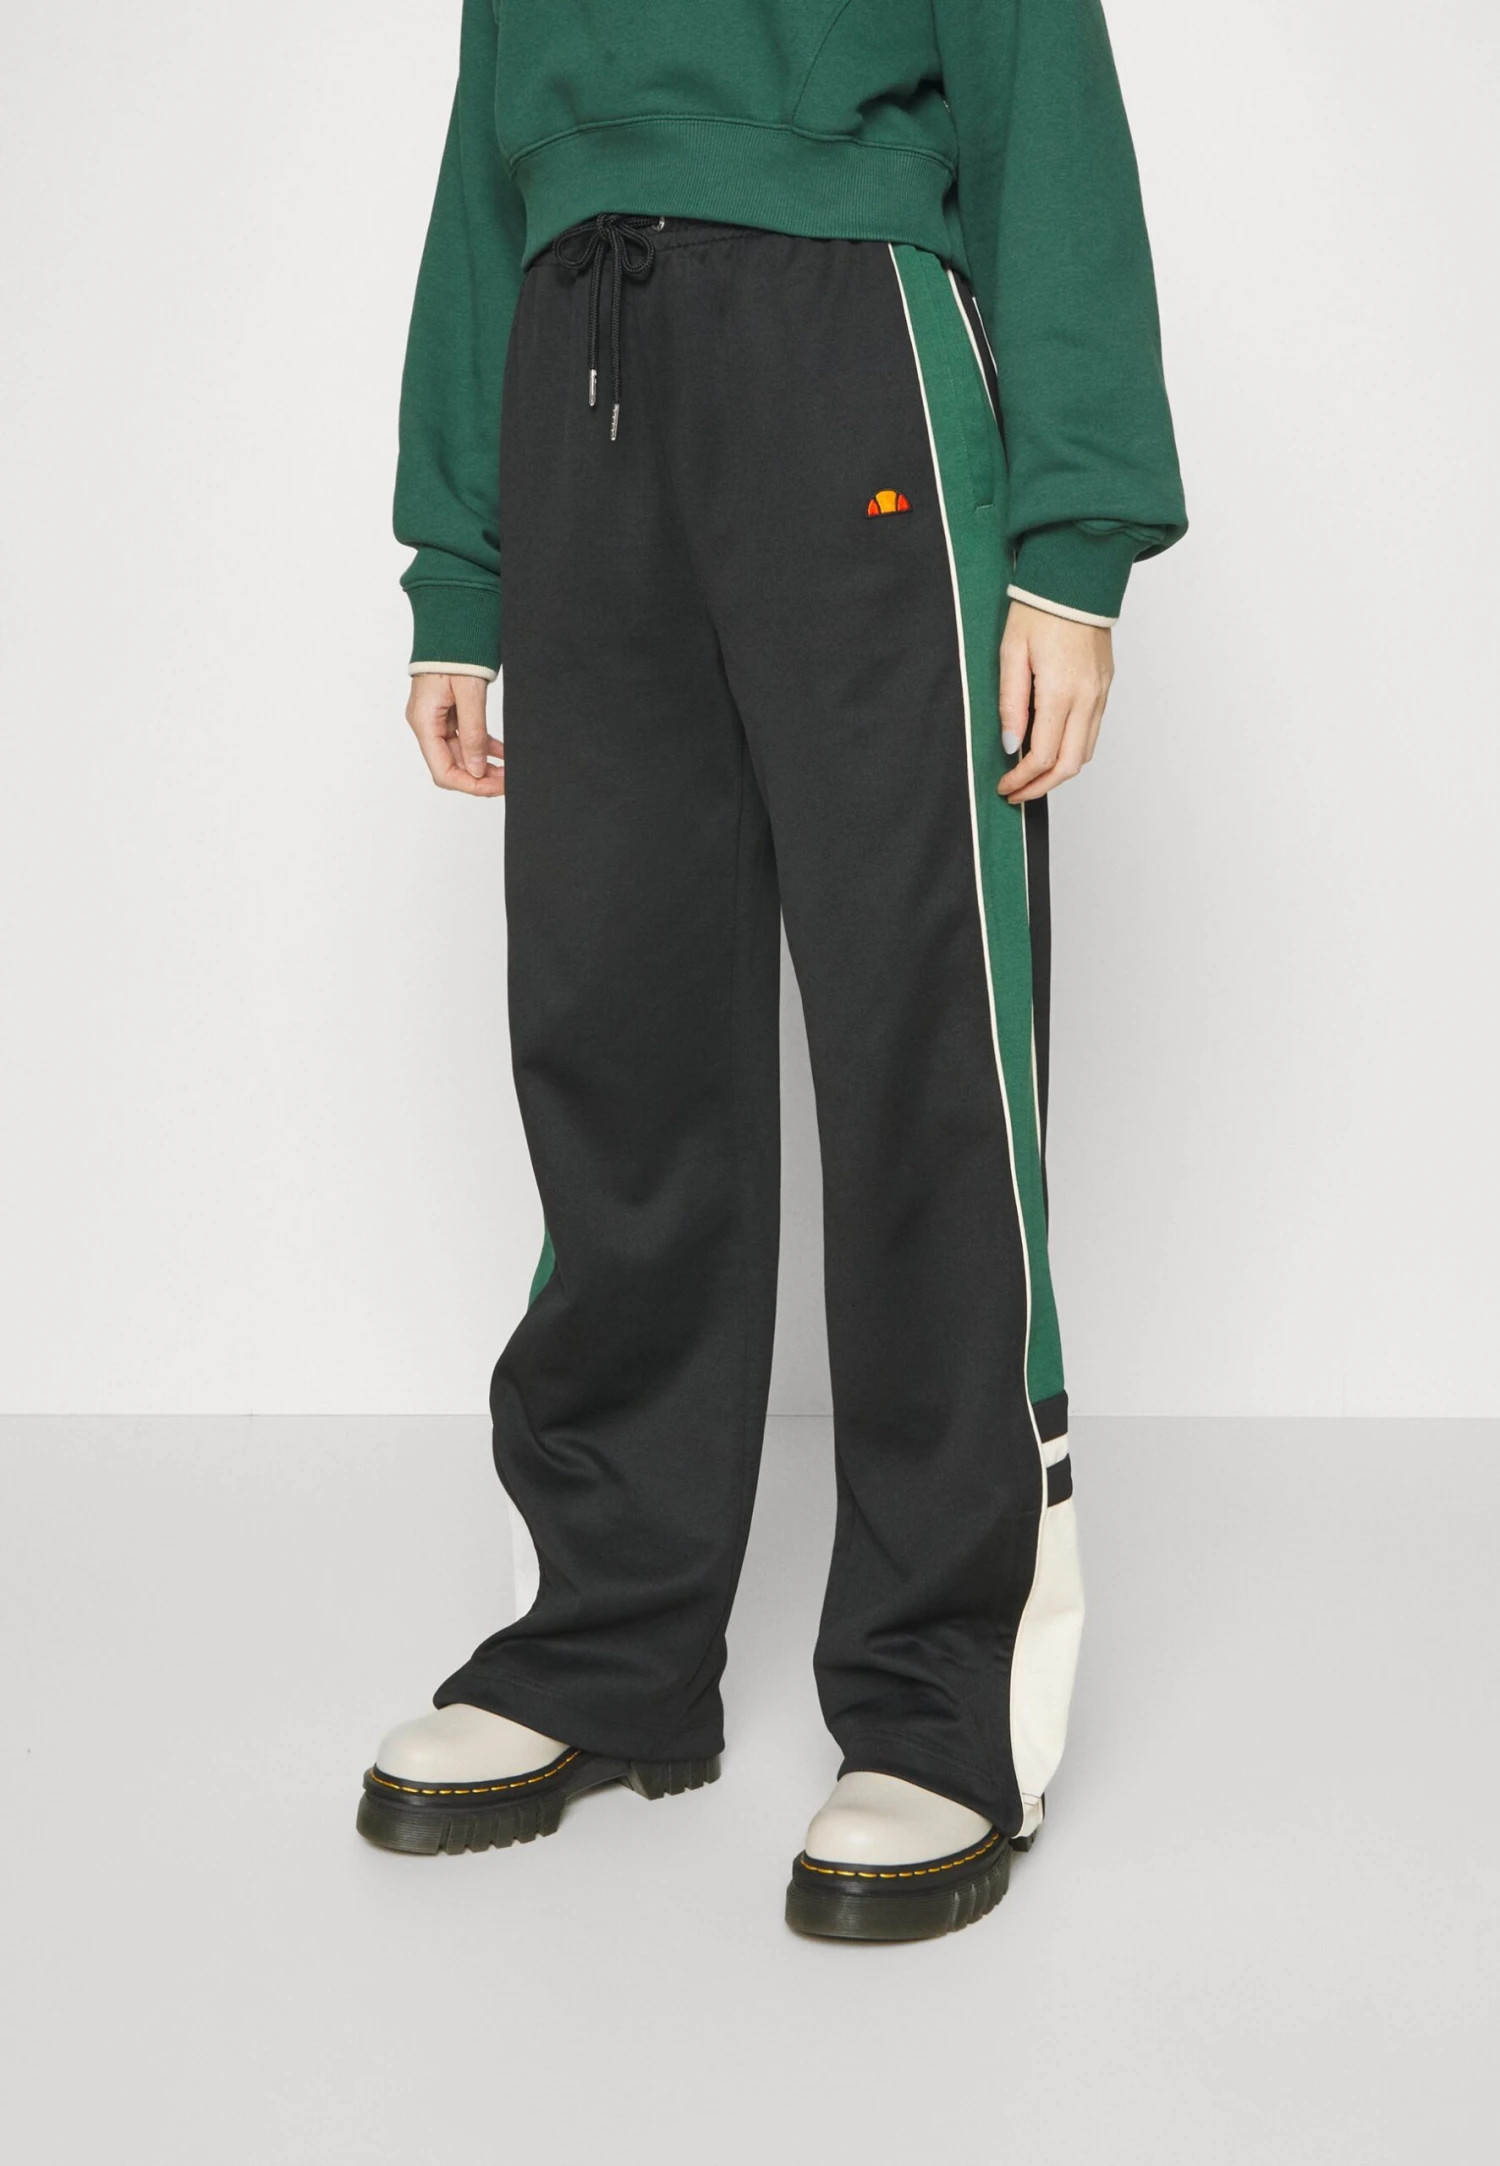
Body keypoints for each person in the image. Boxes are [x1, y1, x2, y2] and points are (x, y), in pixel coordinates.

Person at [357, 0, 1186, 1943]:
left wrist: (1072, 542)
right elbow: (485, 184)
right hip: (584, 370)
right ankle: (608, 1644)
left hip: (850, 351)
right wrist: (459, 566)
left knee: (920, 1039)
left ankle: (942, 1693)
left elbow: (1046, 109)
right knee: (614, 1034)